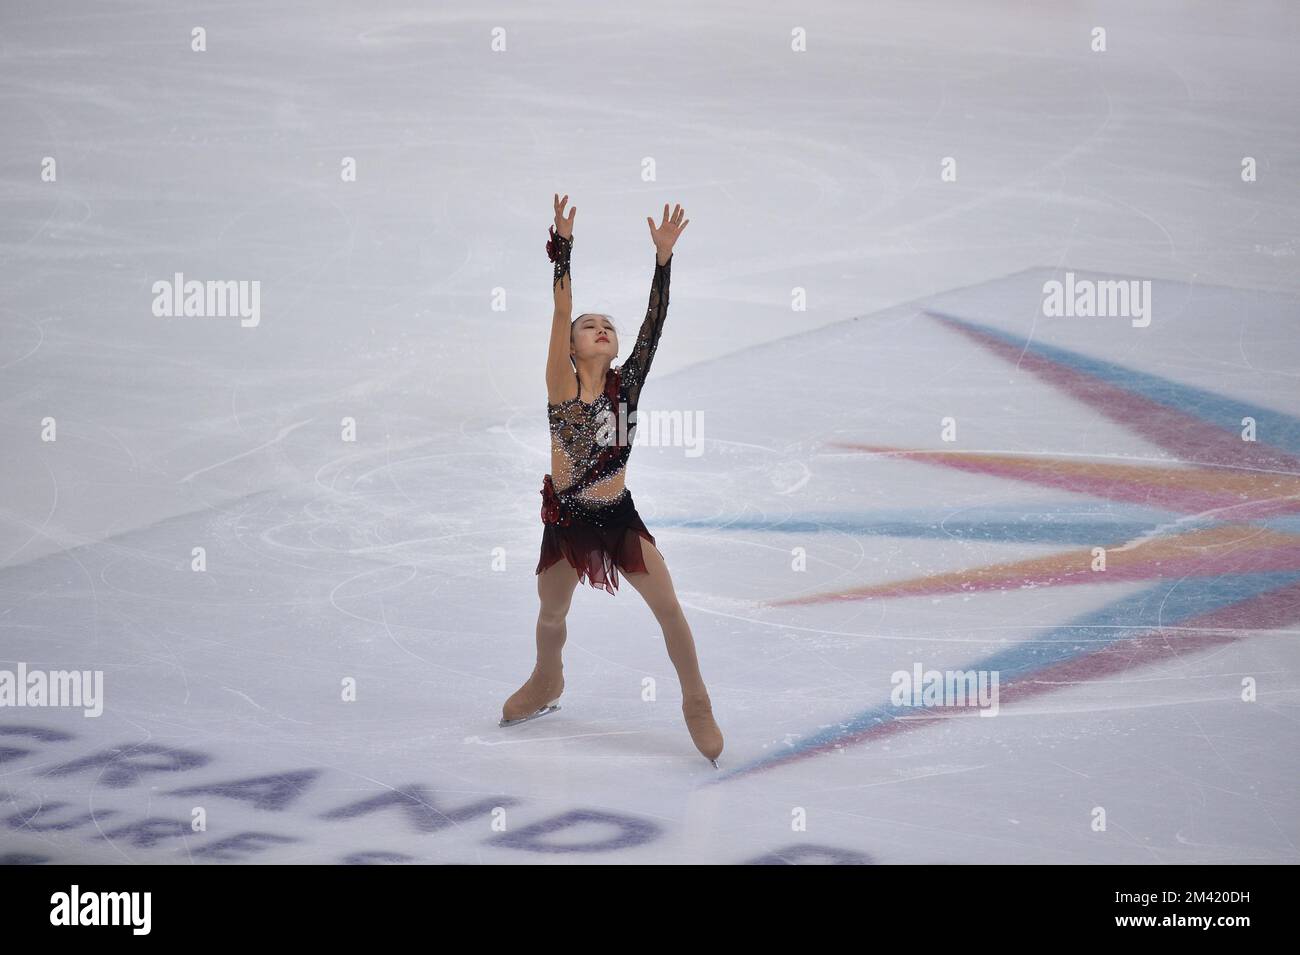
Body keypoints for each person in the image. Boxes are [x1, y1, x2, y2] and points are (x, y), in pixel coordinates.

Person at [499, 194, 724, 767]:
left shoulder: (630, 383)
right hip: (569, 521)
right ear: (572, 346)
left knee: (669, 607)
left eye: (607, 326)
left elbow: (656, 322)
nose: (600, 329)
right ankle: (547, 679)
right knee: (551, 613)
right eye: (588, 326)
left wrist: (663, 260)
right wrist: (563, 249)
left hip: (618, 515)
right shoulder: (561, 385)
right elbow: (559, 311)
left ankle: (696, 700)